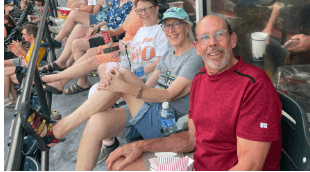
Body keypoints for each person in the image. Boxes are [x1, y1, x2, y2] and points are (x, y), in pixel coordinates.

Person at [20, 7, 204, 171]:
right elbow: (147, 87)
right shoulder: (168, 55)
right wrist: (115, 90)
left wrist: (124, 86)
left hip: (168, 124)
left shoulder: (194, 57)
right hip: (152, 109)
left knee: (122, 75)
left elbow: (169, 95)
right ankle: (60, 140)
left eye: (176, 25)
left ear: (187, 27)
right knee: (98, 121)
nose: (170, 30)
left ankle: (57, 130)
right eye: (167, 26)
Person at [95, 14, 282, 171]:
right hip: (192, 163)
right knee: (120, 164)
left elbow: (249, 166)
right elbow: (191, 139)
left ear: (232, 40)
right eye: (205, 38)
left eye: (219, 35)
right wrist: (139, 145)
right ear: (197, 47)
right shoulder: (200, 78)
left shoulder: (254, 84)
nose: (212, 44)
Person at [40, 0, 146, 93]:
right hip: (117, 40)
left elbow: (142, 36)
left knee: (88, 54)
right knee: (88, 49)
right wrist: (102, 29)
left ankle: (56, 78)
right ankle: (61, 79)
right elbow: (117, 25)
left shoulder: (142, 9)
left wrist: (115, 40)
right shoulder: (130, 5)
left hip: (123, 47)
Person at [4, 24, 46, 107]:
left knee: (5, 73)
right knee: (6, 73)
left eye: (24, 34)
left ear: (31, 35)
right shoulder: (37, 43)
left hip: (31, 75)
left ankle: (7, 100)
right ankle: (12, 100)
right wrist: (20, 49)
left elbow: (30, 66)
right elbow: (29, 56)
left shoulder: (36, 46)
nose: (22, 36)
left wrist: (20, 55)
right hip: (29, 70)